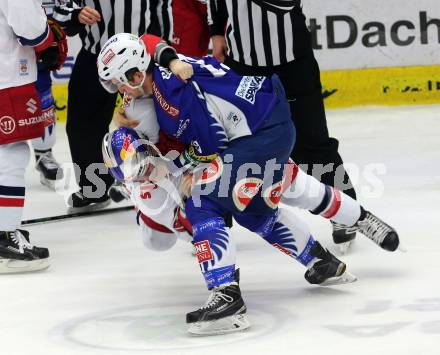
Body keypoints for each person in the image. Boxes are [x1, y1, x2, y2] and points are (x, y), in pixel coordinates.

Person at [97, 33, 402, 335]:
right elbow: (149, 40)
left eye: (118, 83)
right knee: (256, 204)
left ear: (136, 74)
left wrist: (189, 172)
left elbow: (211, 140)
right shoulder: (158, 70)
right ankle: (328, 255)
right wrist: (171, 61)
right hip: (264, 118)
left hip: (259, 133)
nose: (117, 91)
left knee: (203, 198)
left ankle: (227, 297)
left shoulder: (172, 97)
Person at [207, 0, 358, 251]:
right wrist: (216, 31)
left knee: (312, 143)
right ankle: (214, 219)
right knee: (230, 143)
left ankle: (345, 209)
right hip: (242, 64)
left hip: (292, 63)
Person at [52, 0, 174, 213]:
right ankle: (94, 188)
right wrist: (76, 14)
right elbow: (61, 10)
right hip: (96, 58)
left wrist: (162, 54)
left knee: (151, 122)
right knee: (82, 125)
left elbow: (162, 8)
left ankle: (154, 184)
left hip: (139, 60)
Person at [0, 0, 66, 273]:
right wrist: (50, 36)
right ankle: (4, 236)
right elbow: (31, 30)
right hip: (6, 77)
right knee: (10, 153)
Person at [31, 1, 67, 189]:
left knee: (42, 96)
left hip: (37, 44)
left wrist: (53, 37)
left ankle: (43, 153)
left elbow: (63, 6)